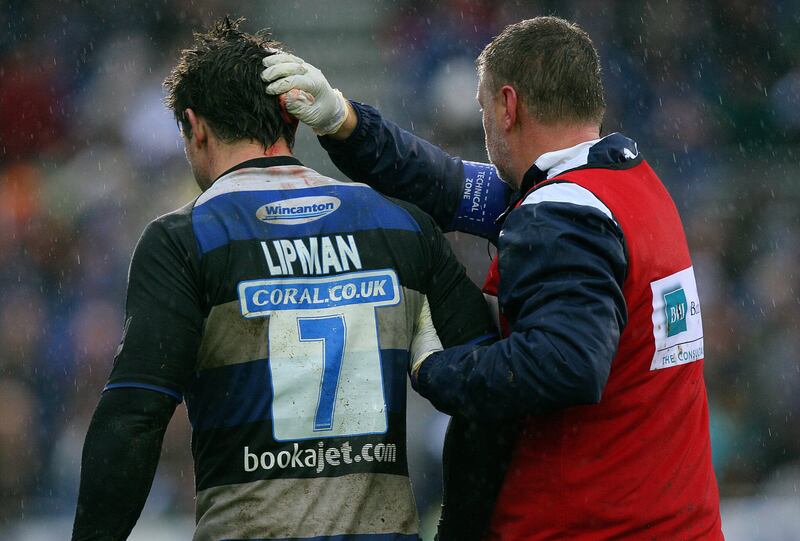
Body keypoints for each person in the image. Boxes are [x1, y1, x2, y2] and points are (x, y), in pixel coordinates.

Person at [261, 15, 724, 541]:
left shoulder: (561, 215)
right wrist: (344, 120)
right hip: (679, 522)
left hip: (591, 528)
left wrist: (437, 369)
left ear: (508, 106)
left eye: (483, 108)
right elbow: (444, 182)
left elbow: (566, 365)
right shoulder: (624, 184)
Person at [71, 17, 497, 541]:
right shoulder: (402, 225)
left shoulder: (186, 238)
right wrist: (459, 530)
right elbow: (491, 393)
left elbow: (134, 419)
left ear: (194, 127)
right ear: (293, 121)